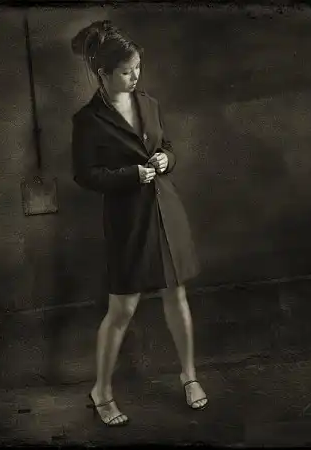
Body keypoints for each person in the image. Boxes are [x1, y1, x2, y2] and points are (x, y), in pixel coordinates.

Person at [71, 20, 208, 427]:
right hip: (128, 220)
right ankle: (102, 390)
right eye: (126, 72)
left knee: (177, 296)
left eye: (137, 69)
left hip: (166, 211)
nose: (135, 77)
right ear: (104, 74)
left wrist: (167, 159)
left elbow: (166, 145)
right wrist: (130, 175)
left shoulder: (148, 103)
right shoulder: (88, 120)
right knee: (122, 308)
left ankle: (189, 376)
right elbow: (85, 175)